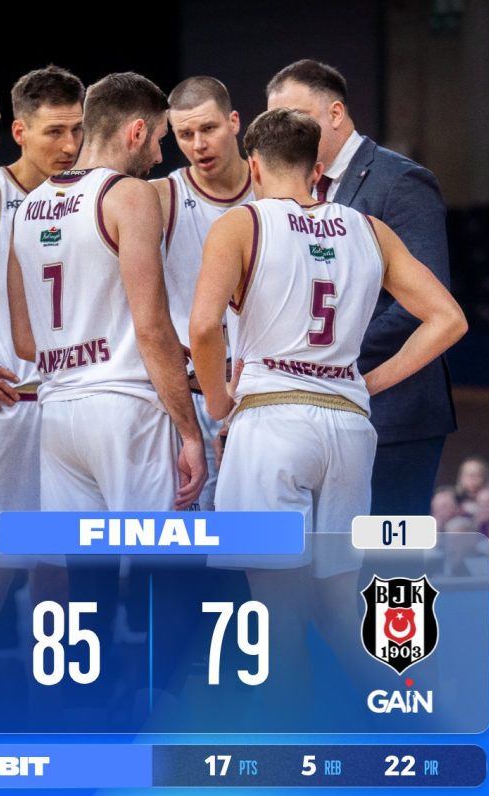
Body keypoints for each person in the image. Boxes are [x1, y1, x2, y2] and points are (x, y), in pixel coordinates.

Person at [190, 108, 467, 548]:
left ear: (254, 167)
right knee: (337, 583)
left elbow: (204, 326)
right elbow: (449, 319)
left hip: (272, 419)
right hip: (349, 428)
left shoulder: (241, 224)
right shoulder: (371, 230)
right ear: (317, 172)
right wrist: (368, 383)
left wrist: (219, 402)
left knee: (276, 583)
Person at [8, 71, 206, 511]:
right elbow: (151, 328)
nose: (159, 155)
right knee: (152, 550)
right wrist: (191, 433)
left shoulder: (26, 208)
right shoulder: (130, 195)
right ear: (136, 131)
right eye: (158, 139)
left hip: (58, 414)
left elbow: (24, 341)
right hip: (126, 411)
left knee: (83, 557)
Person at [266, 59, 456, 516]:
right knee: (329, 551)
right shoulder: (289, 190)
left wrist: (324, 352)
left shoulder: (401, 180)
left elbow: (422, 304)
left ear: (335, 113)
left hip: (394, 411)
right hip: (320, 406)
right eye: (277, 123)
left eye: (297, 118)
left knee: (388, 551)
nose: (287, 134)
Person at [0, 65, 85, 538]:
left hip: (72, 402)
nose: (69, 146)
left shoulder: (90, 197)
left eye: (77, 130)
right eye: (55, 132)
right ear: (20, 132)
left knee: (63, 556)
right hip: (8, 403)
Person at [151, 76, 253, 508]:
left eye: (208, 128)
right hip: (191, 395)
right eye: (185, 134)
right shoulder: (160, 197)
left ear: (234, 122)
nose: (198, 145)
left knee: (261, 537)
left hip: (260, 390)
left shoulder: (276, 189)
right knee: (191, 536)